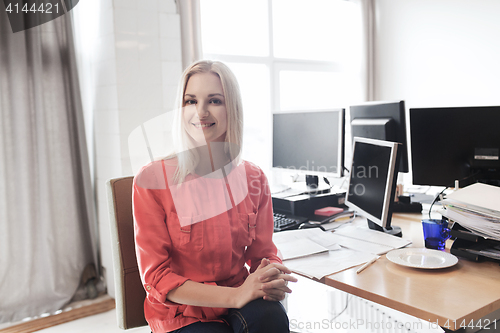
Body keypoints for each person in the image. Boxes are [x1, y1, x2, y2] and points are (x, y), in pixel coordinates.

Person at [133, 60, 297, 333]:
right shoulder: (151, 181)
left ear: (231, 107)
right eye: (190, 101)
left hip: (239, 296)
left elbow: (264, 254)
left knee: (273, 319)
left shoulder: (254, 179)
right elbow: (157, 277)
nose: (201, 111)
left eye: (215, 100)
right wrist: (236, 296)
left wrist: (271, 275)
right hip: (182, 312)